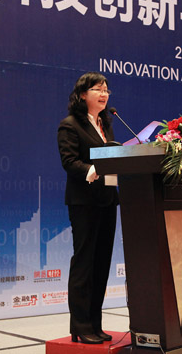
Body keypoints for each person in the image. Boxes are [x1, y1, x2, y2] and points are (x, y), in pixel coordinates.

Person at [57, 72, 119, 344]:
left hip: (107, 200)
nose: (104, 94)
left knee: (101, 264)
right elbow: (70, 162)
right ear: (83, 94)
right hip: (84, 202)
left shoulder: (105, 124)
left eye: (106, 90)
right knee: (84, 263)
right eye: (98, 89)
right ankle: (80, 326)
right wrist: (93, 169)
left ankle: (95, 323)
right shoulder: (70, 125)